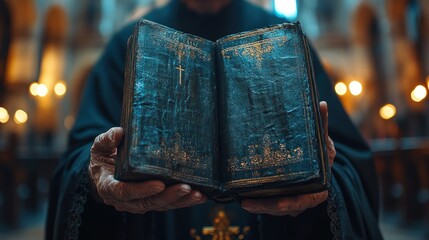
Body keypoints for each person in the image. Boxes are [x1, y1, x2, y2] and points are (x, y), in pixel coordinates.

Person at [46, 0, 383, 239]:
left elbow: (350, 163)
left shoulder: (286, 44)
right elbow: (80, 161)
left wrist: (321, 177)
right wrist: (97, 179)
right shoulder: (129, 45)